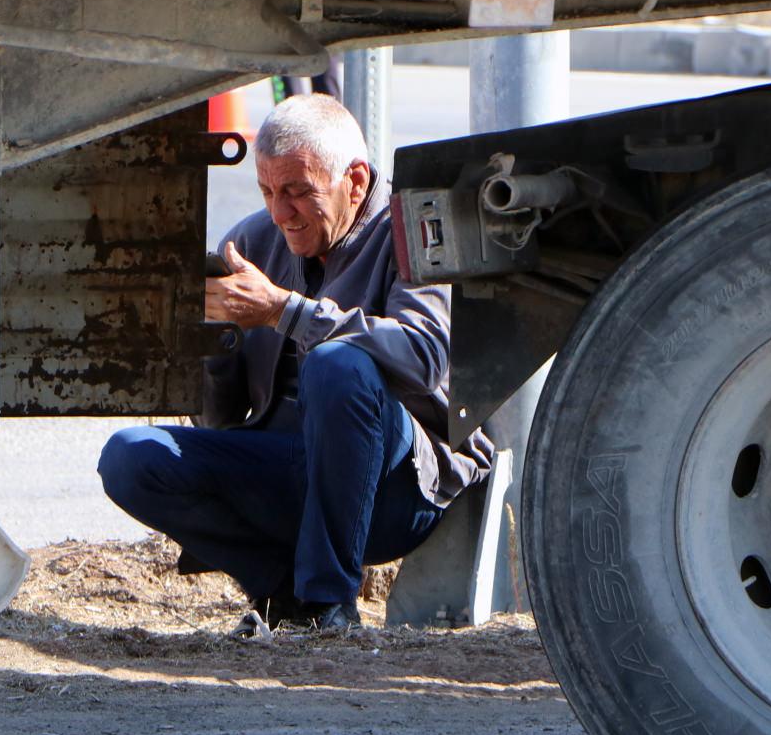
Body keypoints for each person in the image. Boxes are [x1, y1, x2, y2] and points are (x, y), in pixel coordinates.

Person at [98, 94, 494, 632]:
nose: (281, 214)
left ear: (355, 181)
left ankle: (330, 604)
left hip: (396, 489)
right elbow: (221, 418)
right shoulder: (252, 241)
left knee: (336, 366)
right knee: (130, 456)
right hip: (287, 466)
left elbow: (423, 357)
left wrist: (284, 311)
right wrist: (210, 344)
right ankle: (284, 595)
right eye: (267, 192)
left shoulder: (413, 229)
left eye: (298, 193)